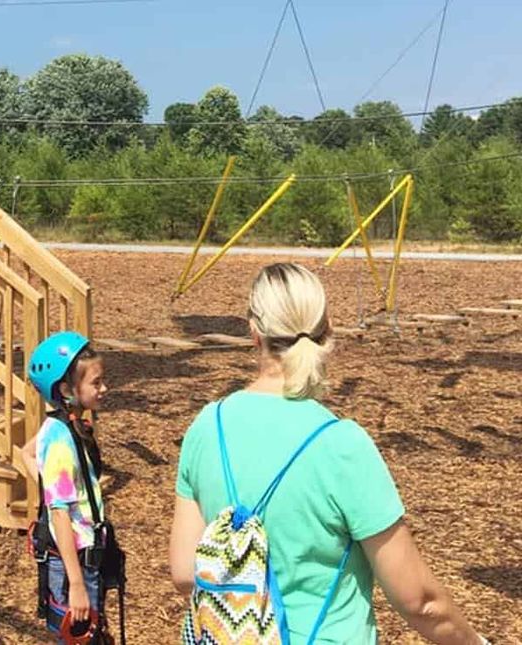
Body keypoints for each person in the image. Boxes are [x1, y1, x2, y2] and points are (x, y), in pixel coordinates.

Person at [169, 262, 492, 645]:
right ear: (328, 329)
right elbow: (419, 601)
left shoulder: (208, 427)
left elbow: (185, 573)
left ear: (254, 332)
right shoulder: (342, 445)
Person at [24, 331, 124, 643]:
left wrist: (50, 486)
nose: (104, 388)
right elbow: (60, 514)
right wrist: (77, 584)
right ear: (67, 389)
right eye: (96, 382)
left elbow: (26, 453)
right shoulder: (60, 440)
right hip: (74, 566)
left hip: (84, 559)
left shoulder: (64, 427)